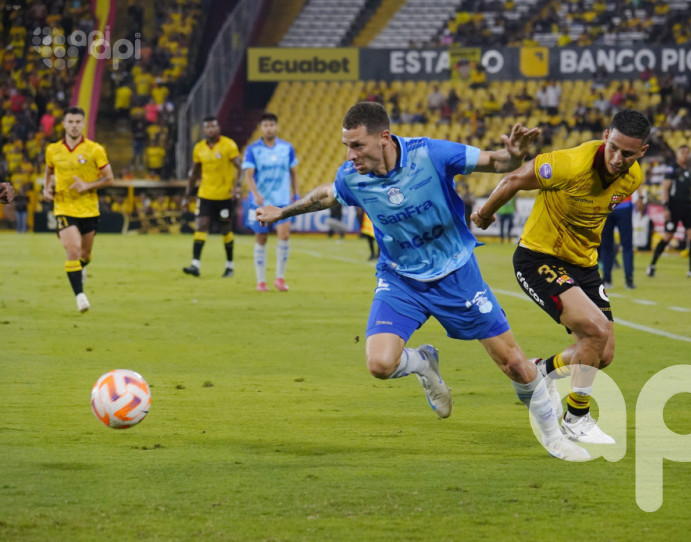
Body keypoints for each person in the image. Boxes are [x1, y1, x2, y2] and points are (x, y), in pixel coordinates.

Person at [256, 102, 589, 462]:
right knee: (380, 365)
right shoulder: (353, 175)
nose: (350, 155)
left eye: (357, 146)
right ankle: (423, 363)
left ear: (384, 138)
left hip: (457, 275)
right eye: (346, 146)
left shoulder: (430, 153)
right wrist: (282, 211)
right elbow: (326, 194)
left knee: (515, 366)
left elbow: (496, 162)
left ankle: (554, 437)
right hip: (400, 279)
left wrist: (511, 156)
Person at [471, 109, 651, 445]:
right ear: (605, 134)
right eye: (613, 147)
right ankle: (576, 418)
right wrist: (484, 214)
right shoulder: (570, 162)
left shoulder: (633, 178)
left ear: (642, 152)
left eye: (627, 153)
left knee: (603, 353)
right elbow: (513, 180)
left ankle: (540, 371)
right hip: (538, 257)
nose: (617, 158)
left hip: (583, 265)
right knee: (596, 332)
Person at [42, 106, 115, 313]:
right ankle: (80, 296)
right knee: (72, 249)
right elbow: (48, 171)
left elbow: (110, 179)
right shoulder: (53, 150)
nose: (74, 126)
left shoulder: (95, 150)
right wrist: (46, 188)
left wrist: (87, 186)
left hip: (89, 209)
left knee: (85, 253)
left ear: (83, 124)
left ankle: (81, 268)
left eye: (77, 122)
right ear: (64, 124)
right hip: (63, 207)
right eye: (70, 122)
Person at [242, 112, 298, 291]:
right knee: (261, 237)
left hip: (282, 200)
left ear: (277, 127)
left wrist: (295, 194)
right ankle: (261, 281)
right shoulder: (252, 150)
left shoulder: (286, 148)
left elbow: (293, 172)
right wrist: (255, 194)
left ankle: (280, 278)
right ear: (261, 128)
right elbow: (248, 175)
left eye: (272, 125)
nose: (269, 128)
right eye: (265, 125)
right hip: (261, 202)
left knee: (285, 236)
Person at [182, 116, 241, 278]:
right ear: (204, 130)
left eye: (213, 127)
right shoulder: (199, 148)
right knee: (201, 225)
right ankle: (195, 265)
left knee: (225, 229)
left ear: (218, 128)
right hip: (205, 194)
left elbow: (241, 166)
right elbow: (194, 173)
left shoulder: (228, 145)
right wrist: (187, 195)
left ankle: (229, 265)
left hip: (224, 196)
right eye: (207, 127)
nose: (210, 130)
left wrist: (237, 186)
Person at [647, 144, 691, 278]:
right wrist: (666, 207)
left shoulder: (690, 172)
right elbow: (665, 188)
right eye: (682, 152)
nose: (685, 155)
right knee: (667, 237)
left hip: (688, 206)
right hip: (674, 206)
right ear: (677, 154)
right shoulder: (671, 169)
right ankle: (652, 265)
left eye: (687, 152)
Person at [599, 191, 635, 289]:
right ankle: (628, 280)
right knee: (626, 245)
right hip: (622, 206)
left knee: (607, 246)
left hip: (608, 206)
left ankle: (607, 279)